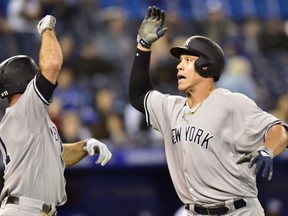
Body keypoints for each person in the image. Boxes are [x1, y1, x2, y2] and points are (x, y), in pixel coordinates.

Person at [129, 6, 288, 216]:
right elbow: (139, 96)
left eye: (187, 61)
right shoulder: (171, 108)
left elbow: (280, 130)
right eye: (180, 61)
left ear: (206, 66)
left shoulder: (231, 103)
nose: (179, 67)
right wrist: (143, 47)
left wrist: (266, 149)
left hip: (237, 211)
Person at [0, 15, 112, 216]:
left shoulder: (29, 119)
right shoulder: (24, 110)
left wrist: (83, 146)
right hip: (25, 209)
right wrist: (47, 28)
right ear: (25, 80)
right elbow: (52, 64)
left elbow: (56, 155)